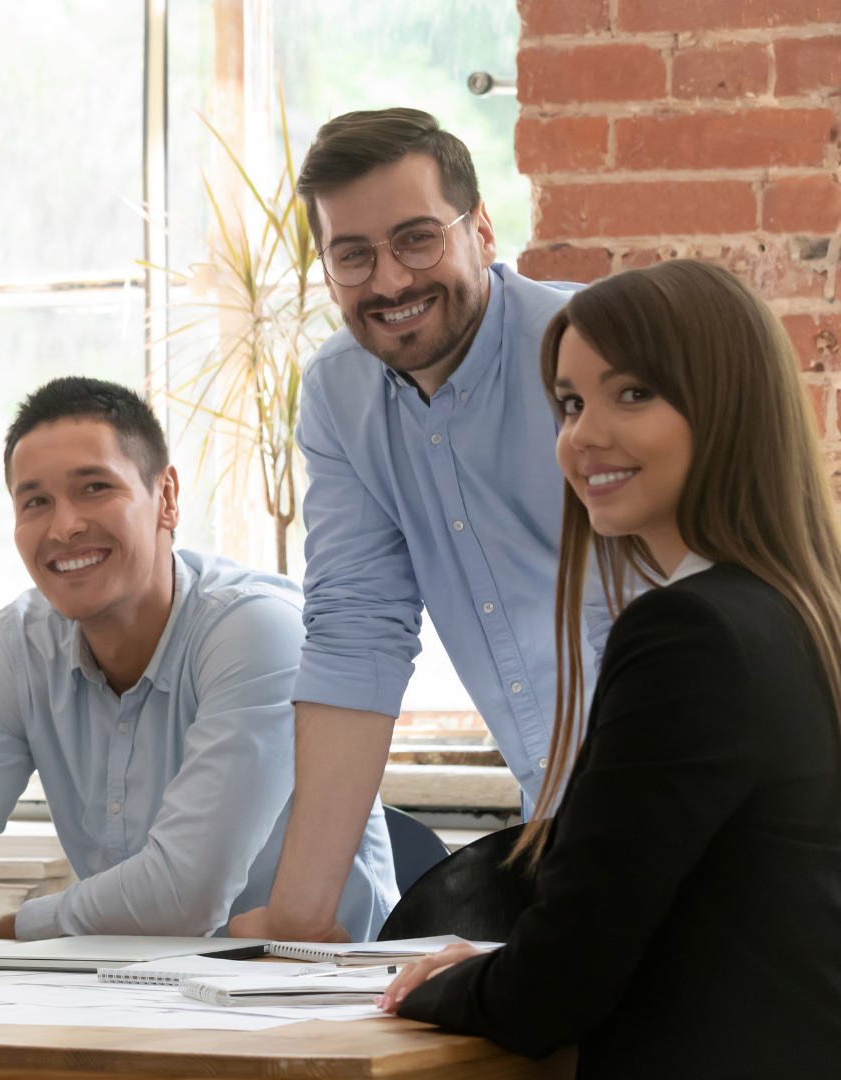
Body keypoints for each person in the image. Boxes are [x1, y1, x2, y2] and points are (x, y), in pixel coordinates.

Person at [377, 260, 841, 1074]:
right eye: (569, 402)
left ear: (727, 406)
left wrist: (433, 989)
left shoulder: (690, 633)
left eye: (632, 394)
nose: (583, 435)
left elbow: (558, 981)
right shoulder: (800, 613)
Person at [229, 108, 599, 944]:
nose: (389, 280)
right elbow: (358, 633)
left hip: (698, 810)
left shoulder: (591, 353)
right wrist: (299, 917)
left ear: (483, 232)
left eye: (418, 239)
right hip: (564, 833)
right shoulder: (338, 395)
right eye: (352, 254)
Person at [0, 378, 398, 946]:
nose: (63, 526)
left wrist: (18, 927)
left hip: (323, 993)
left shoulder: (258, 629)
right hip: (140, 996)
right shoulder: (16, 646)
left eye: (94, 487)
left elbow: (185, 892)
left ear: (166, 497)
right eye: (35, 501)